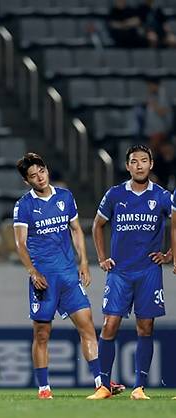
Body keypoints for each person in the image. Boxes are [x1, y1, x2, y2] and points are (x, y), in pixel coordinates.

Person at [12, 153, 102, 400]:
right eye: (33, 175)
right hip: (44, 278)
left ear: (47, 169)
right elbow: (20, 244)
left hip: (68, 275)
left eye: (41, 171)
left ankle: (99, 383)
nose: (39, 177)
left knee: (88, 326)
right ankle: (44, 388)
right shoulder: (24, 205)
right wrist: (32, 271)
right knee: (42, 333)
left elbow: (76, 230)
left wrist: (84, 262)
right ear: (26, 181)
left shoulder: (65, 196)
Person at [91, 144, 173, 400]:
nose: (139, 165)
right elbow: (97, 225)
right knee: (109, 324)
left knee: (145, 327)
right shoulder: (115, 194)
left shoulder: (161, 196)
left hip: (148, 271)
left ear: (151, 164)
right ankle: (104, 386)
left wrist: (170, 254)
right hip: (120, 272)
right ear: (127, 166)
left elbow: (175, 225)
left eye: (144, 160)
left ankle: (139, 387)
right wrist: (102, 258)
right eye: (134, 161)